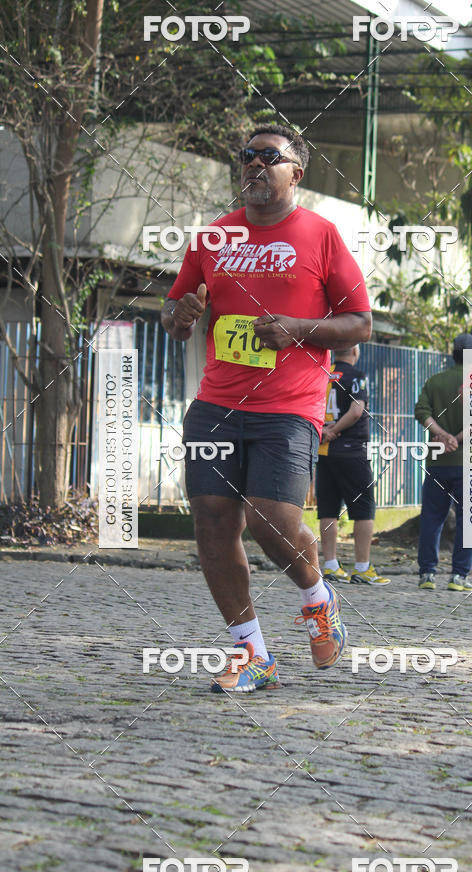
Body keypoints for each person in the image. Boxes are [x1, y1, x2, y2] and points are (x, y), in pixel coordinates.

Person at [161, 124, 372, 691]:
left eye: (268, 157)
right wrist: (178, 317)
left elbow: (360, 323)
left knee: (269, 521)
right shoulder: (212, 237)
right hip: (216, 402)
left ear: (295, 172)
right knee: (211, 519)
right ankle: (251, 651)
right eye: (246, 157)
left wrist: (299, 329)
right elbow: (178, 309)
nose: (254, 165)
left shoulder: (322, 235)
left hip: (289, 405)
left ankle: (318, 598)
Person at [316, 345, 390, 586]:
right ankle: (362, 567)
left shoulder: (323, 373)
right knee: (364, 509)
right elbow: (357, 410)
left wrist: (323, 432)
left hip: (324, 451)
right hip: (350, 451)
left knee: (328, 509)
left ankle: (330, 565)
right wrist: (334, 431)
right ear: (355, 351)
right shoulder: (357, 375)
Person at [415, 333, 472, 591]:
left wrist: (441, 435)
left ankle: (427, 574)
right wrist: (456, 437)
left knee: (432, 517)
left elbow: (421, 412)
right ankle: (459, 576)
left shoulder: (435, 381)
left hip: (436, 462)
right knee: (469, 519)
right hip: (470, 462)